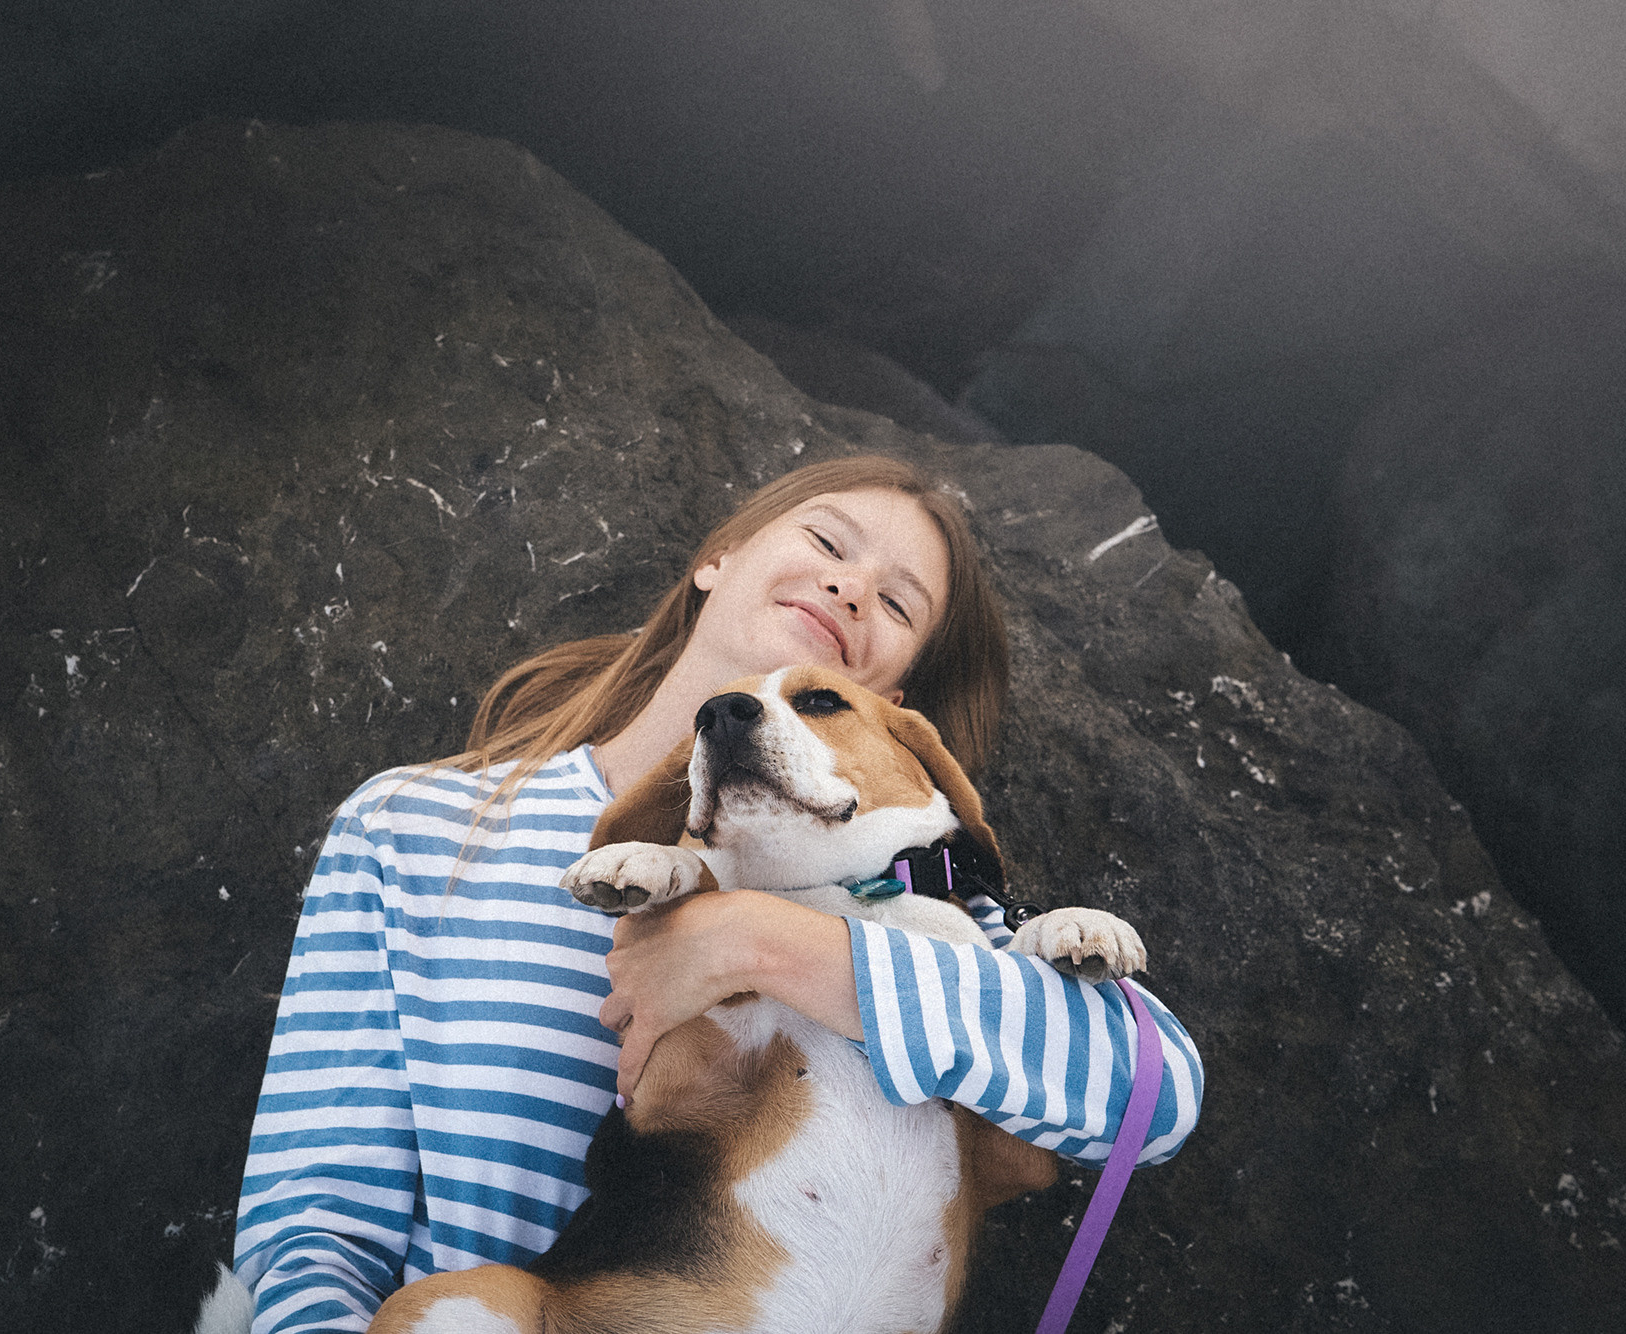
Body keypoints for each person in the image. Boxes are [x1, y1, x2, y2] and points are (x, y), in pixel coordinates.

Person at [233, 455, 1203, 1333]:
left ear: (896, 705)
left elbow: (1153, 1099)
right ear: (719, 557)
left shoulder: (932, 906)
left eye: (897, 604)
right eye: (826, 541)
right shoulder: (417, 824)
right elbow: (313, 1231)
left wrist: (758, 940)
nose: (848, 585)